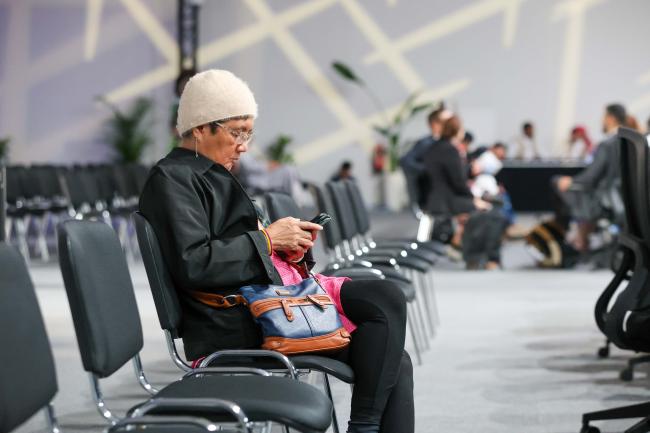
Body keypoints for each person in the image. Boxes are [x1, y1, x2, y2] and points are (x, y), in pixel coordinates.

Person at [139, 69, 413, 433]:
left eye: (248, 133)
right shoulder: (172, 179)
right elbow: (195, 264)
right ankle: (362, 427)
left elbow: (240, 245)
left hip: (269, 298)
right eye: (237, 132)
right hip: (237, 318)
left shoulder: (209, 171)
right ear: (201, 128)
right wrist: (268, 240)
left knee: (387, 309)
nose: (244, 145)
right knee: (392, 345)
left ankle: (361, 426)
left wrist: (288, 248)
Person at [422, 115, 507, 269]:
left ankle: (470, 249)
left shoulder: (434, 148)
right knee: (495, 213)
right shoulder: (450, 150)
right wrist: (474, 199)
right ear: (456, 130)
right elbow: (458, 182)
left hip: (439, 197)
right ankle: (485, 258)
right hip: (448, 200)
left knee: (493, 204)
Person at [554, 103, 626, 251]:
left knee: (557, 182)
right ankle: (581, 237)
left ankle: (572, 240)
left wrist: (571, 181)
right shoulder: (630, 142)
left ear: (610, 118)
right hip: (623, 198)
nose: (601, 120)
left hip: (604, 199)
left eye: (603, 116)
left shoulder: (607, 145)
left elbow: (592, 176)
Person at [399, 105, 452, 207]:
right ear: (434, 124)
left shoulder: (448, 143)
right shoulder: (427, 144)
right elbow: (406, 160)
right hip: (436, 196)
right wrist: (428, 170)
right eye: (446, 122)